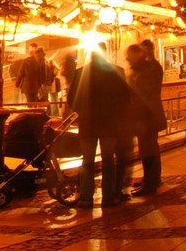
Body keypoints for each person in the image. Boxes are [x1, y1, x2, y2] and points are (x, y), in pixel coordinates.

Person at [68, 45, 129, 207]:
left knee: (87, 160)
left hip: (88, 123)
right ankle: (108, 197)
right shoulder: (116, 72)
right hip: (109, 123)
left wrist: (83, 110)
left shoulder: (80, 73)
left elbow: (72, 99)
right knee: (108, 160)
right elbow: (125, 98)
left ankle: (87, 197)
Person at [125, 43, 166, 195]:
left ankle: (150, 183)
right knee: (150, 149)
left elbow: (141, 96)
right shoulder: (146, 69)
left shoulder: (147, 71)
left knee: (148, 150)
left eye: (129, 58)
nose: (127, 60)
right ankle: (152, 179)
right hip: (148, 117)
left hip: (147, 118)